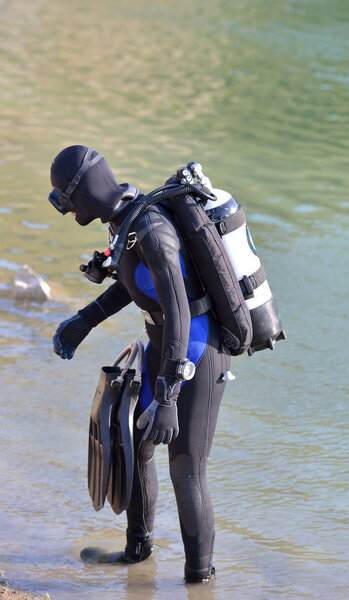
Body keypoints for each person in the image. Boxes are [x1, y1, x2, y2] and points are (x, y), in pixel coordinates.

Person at [49, 145, 232, 584]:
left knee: (186, 468)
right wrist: (85, 319)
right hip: (163, 347)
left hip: (195, 354)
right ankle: (138, 555)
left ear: (83, 193)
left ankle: (198, 581)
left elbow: (181, 314)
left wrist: (168, 395)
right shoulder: (124, 224)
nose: (67, 210)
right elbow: (135, 284)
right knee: (134, 444)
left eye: (66, 199)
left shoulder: (151, 230)